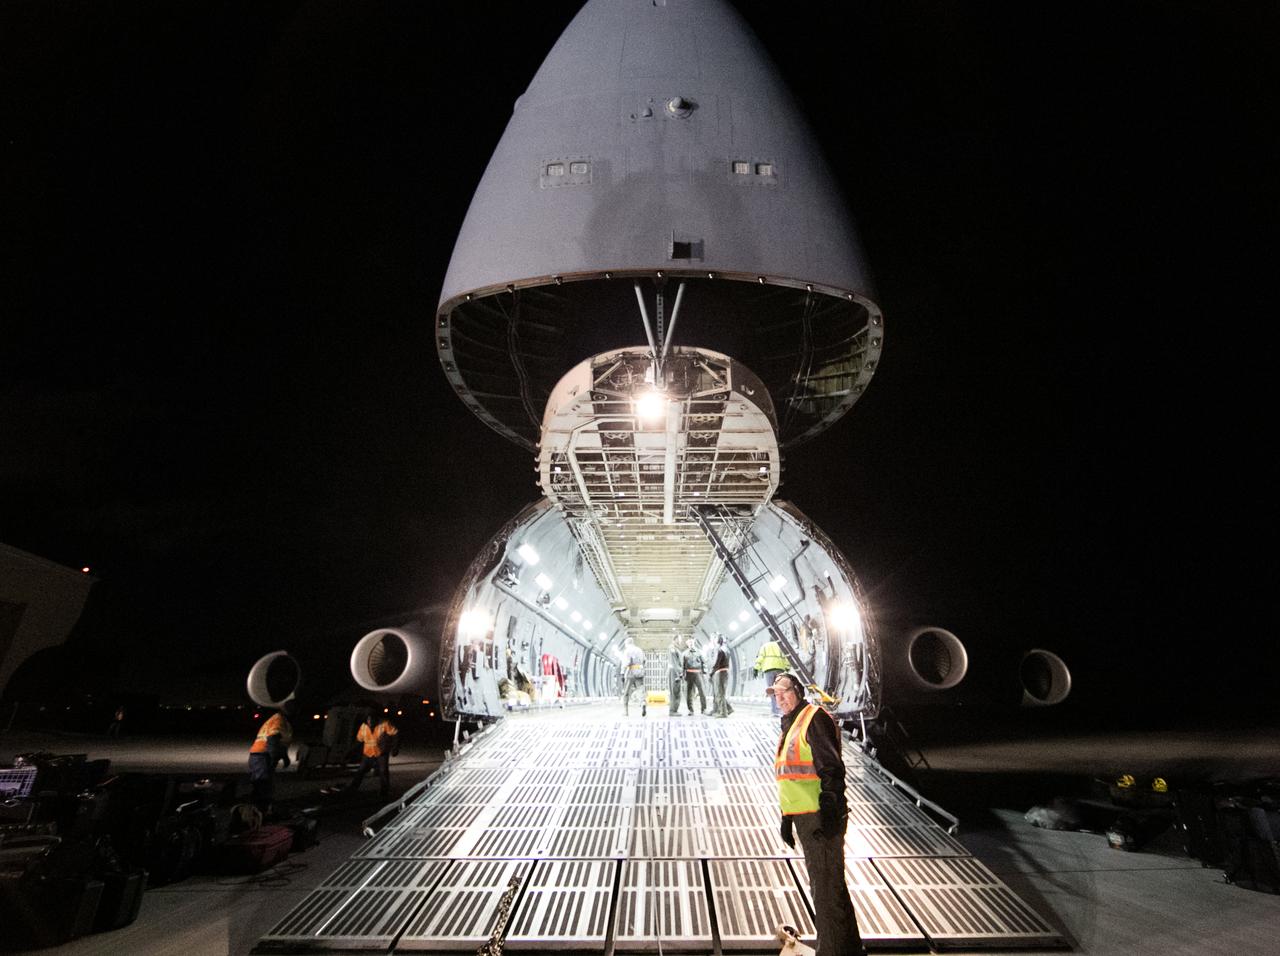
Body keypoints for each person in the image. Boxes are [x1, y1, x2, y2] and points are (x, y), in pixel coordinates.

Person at [771, 673, 864, 956]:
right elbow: (792, 777)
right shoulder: (792, 724)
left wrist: (831, 808)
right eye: (776, 694)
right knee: (833, 888)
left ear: (797, 691)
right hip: (805, 817)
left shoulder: (813, 719)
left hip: (820, 818)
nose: (780, 698)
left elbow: (831, 767)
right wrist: (787, 817)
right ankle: (851, 951)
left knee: (824, 893)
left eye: (784, 692)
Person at [330, 710, 399, 801]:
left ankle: (384, 791)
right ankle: (353, 788)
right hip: (368, 753)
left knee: (383, 771)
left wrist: (395, 748)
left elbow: (395, 734)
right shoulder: (363, 727)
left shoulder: (384, 724)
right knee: (361, 771)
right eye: (368, 721)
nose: (370, 723)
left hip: (381, 752)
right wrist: (349, 751)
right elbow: (359, 741)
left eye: (372, 720)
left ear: (376, 719)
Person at [248, 702, 293, 813]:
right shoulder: (279, 720)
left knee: (262, 783)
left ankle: (260, 807)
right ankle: (260, 810)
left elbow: (280, 742)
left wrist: (284, 756)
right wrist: (274, 757)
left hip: (261, 754)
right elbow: (272, 740)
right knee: (262, 783)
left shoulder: (283, 721)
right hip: (261, 754)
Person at [754, 638, 790, 716]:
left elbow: (760, 658)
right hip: (780, 669)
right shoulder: (780, 646)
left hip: (769, 670)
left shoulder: (764, 646)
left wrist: (756, 669)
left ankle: (774, 710)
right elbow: (786, 657)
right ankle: (783, 709)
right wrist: (787, 667)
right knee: (780, 690)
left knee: (772, 690)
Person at [620, 637, 647, 716]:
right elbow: (645, 660)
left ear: (627, 644)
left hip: (631, 672)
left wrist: (622, 673)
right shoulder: (639, 650)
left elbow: (626, 662)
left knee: (626, 692)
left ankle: (625, 711)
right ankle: (643, 702)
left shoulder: (627, 650)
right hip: (640, 671)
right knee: (640, 689)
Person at [709, 634, 734, 718]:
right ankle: (729, 709)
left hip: (719, 672)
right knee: (721, 693)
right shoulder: (727, 649)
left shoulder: (719, 650)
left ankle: (723, 713)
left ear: (717, 641)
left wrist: (711, 673)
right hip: (726, 671)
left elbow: (716, 663)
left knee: (719, 693)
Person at [682, 640, 706, 715]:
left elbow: (704, 662)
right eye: (689, 643)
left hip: (698, 673)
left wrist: (704, 672)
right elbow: (682, 665)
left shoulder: (699, 652)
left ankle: (704, 709)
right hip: (689, 673)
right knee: (689, 692)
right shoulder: (684, 653)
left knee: (702, 691)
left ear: (694, 643)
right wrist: (682, 674)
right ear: (687, 644)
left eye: (692, 642)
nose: (691, 644)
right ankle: (691, 710)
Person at [667, 635, 685, 715]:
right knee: (675, 691)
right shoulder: (672, 648)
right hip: (675, 672)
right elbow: (674, 662)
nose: (681, 641)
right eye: (679, 639)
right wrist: (680, 673)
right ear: (675, 639)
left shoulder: (675, 648)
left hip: (675, 671)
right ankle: (673, 711)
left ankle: (674, 710)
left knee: (675, 691)